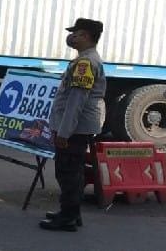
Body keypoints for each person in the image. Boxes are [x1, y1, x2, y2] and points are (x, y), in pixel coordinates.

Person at [40, 18, 106, 232]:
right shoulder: (85, 60)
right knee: (73, 171)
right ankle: (72, 213)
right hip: (78, 127)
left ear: (85, 35)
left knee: (67, 172)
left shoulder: (85, 63)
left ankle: (67, 217)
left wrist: (64, 132)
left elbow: (76, 100)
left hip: (75, 129)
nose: (71, 37)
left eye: (75, 33)